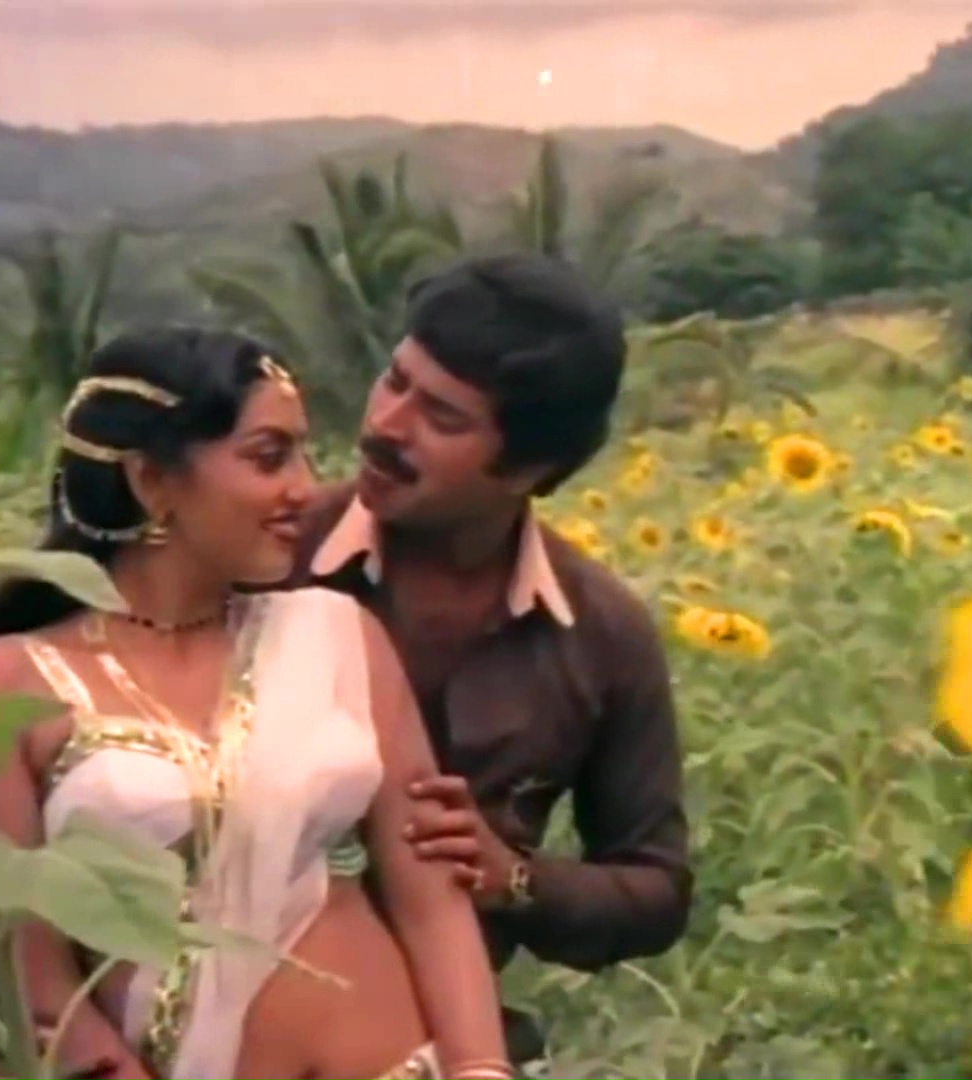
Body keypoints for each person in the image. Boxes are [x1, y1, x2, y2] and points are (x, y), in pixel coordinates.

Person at [0, 328, 514, 1080]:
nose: (306, 488)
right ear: (152, 480)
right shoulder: (8, 683)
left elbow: (430, 897)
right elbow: (31, 974)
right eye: (269, 458)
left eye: (303, 455)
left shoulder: (339, 638)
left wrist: (482, 1069)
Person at [285, 254, 692, 1063]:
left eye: (442, 417)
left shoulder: (600, 632)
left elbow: (656, 890)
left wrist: (512, 879)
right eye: (394, 380)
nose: (386, 425)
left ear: (532, 469)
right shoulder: (266, 560)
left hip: (453, 1045)